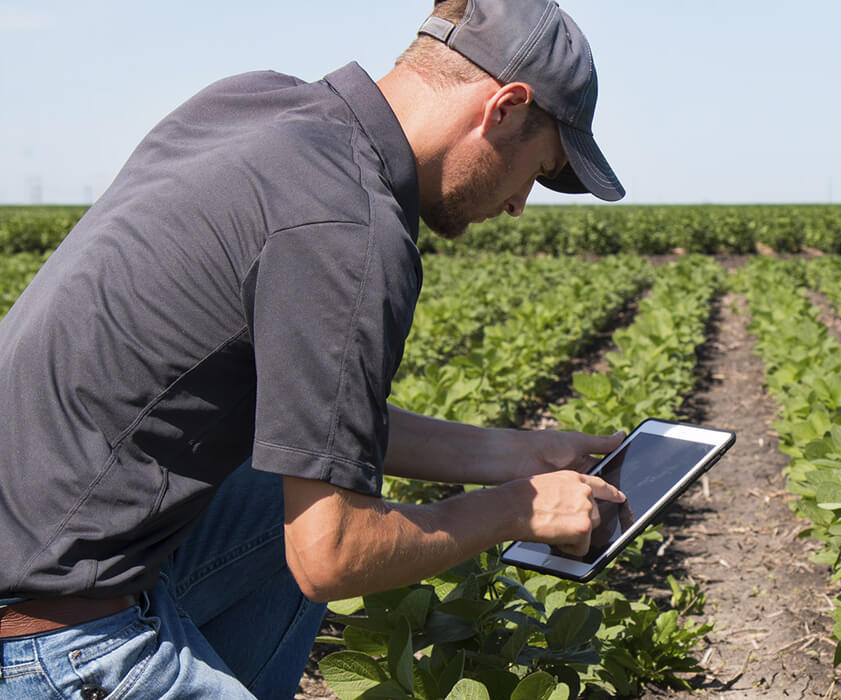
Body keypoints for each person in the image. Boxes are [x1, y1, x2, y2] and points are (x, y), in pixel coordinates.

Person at [0, 0, 627, 696]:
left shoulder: (250, 105)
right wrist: (515, 509)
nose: (518, 206)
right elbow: (333, 555)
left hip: (36, 548)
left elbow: (313, 426)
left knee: (286, 488)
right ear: (502, 107)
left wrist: (514, 456)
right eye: (534, 173)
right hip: (52, 638)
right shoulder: (353, 228)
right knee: (332, 518)